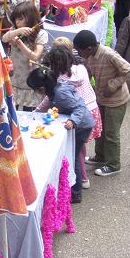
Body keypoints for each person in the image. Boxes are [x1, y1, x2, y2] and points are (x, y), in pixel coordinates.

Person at [27, 64, 95, 203]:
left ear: (41, 88)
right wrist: (34, 114)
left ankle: (75, 193)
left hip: (82, 126)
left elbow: (80, 107)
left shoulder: (61, 93)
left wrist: (73, 120)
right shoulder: (53, 89)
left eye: (35, 90)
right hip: (74, 124)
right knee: (68, 155)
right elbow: (46, 103)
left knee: (73, 156)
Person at [74, 30, 130, 177]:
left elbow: (129, 70)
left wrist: (113, 85)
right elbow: (88, 72)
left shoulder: (108, 54)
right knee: (100, 130)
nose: (79, 54)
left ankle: (114, 164)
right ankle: (100, 157)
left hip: (117, 100)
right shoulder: (89, 56)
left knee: (111, 134)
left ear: (88, 48)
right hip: (100, 99)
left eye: (79, 51)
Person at [45, 37, 102, 189]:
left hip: (81, 114)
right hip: (92, 109)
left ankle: (82, 178)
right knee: (81, 146)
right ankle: (82, 175)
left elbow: (49, 96)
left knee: (76, 149)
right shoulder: (81, 69)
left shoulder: (60, 79)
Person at [1, 2, 48, 110]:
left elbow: (35, 56)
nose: (17, 22)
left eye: (20, 19)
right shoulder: (15, 30)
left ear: (30, 18)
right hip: (16, 76)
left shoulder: (41, 34)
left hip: (31, 78)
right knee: (13, 107)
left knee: (30, 110)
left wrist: (19, 44)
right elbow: (4, 38)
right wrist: (17, 31)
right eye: (16, 19)